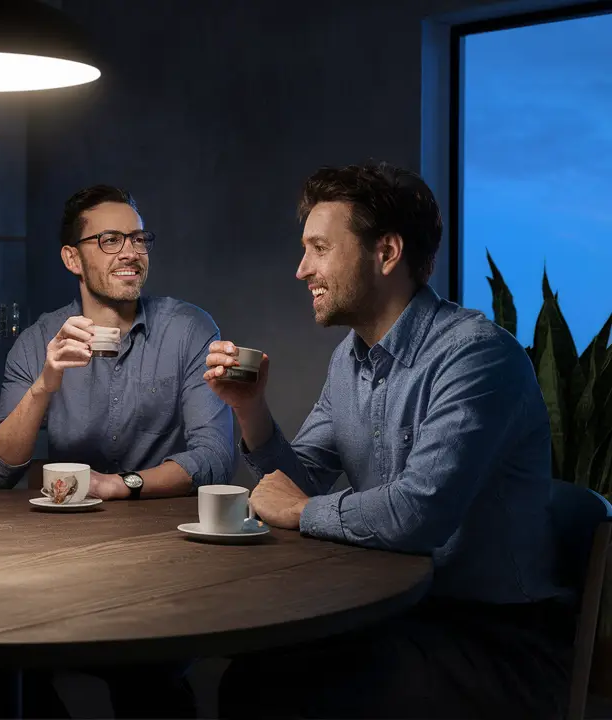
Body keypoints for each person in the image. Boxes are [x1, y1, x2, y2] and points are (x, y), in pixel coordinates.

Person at [207, 162, 572, 719]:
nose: (302, 270)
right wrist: (250, 408)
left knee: (275, 691)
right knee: (250, 678)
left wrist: (302, 511)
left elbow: (417, 514)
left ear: (387, 253)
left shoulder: (476, 356)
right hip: (397, 613)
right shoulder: (348, 361)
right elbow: (299, 479)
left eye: (319, 248)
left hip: (490, 639)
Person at [0, 185, 236, 717]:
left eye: (138, 239)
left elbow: (215, 456)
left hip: (162, 556)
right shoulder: (40, 339)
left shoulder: (188, 329)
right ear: (73, 257)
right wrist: (45, 385)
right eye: (110, 240)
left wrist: (126, 484)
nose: (130, 253)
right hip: (62, 557)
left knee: (146, 674)